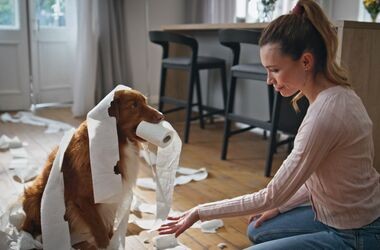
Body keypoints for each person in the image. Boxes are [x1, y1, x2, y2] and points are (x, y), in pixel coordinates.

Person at [158, 0, 380, 249]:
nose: (268, 80)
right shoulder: (336, 94)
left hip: (357, 232)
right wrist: (280, 206)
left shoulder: (325, 115)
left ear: (306, 62)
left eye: (274, 69)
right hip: (338, 213)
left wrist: (199, 211)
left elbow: (270, 195)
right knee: (258, 229)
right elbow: (322, 179)